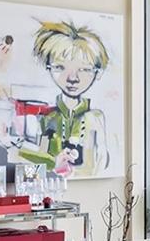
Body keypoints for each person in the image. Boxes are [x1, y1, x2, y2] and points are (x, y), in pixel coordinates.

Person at [19, 20, 111, 177]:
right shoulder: (48, 117)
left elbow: (101, 162)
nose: (73, 78)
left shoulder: (95, 118)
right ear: (48, 68)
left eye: (84, 69)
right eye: (60, 67)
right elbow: (35, 159)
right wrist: (53, 163)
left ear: (97, 72)